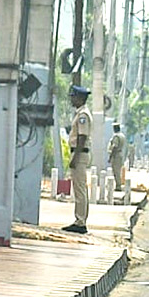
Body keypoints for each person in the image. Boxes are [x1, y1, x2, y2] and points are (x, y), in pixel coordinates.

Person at [62, 85, 92, 234]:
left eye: (73, 96)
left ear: (80, 98)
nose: (72, 99)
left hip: (80, 153)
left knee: (80, 189)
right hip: (80, 152)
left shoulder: (83, 116)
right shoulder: (80, 114)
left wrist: (76, 157)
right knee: (80, 188)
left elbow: (82, 137)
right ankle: (79, 219)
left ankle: (80, 222)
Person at [107, 122, 127, 190]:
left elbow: (114, 147)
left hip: (116, 155)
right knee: (118, 170)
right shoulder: (122, 136)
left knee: (116, 171)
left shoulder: (116, 136)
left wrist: (110, 157)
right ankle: (118, 184)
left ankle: (118, 186)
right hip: (120, 154)